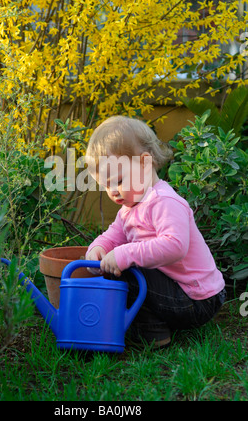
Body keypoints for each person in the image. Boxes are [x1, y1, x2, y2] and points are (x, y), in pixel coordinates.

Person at [85, 116, 226, 349]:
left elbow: (175, 246)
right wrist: (97, 249)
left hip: (198, 298)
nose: (113, 191)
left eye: (118, 180)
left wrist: (125, 254)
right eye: (106, 185)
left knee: (126, 268)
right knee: (120, 264)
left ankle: (153, 332)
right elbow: (112, 235)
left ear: (144, 163)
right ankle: (151, 324)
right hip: (178, 292)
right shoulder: (129, 209)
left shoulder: (163, 201)